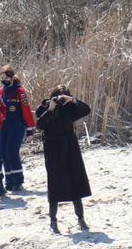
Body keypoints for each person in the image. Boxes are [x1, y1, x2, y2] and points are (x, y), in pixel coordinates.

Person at [35, 86, 91, 234]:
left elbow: (86, 110)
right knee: (54, 184)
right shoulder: (44, 107)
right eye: (59, 96)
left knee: (75, 182)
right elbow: (39, 125)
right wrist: (50, 109)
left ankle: (81, 219)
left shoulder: (70, 108)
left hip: (69, 147)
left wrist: (71, 100)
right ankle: (53, 221)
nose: (61, 98)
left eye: (64, 96)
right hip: (53, 148)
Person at [0, 65, 36, 192]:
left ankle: (18, 181)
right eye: (2, 77)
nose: (4, 79)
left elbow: (26, 110)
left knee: (12, 152)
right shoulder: (0, 91)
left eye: (6, 77)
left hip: (17, 127)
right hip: (3, 127)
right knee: (4, 154)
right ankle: (9, 181)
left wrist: (30, 127)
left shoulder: (19, 91)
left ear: (12, 77)